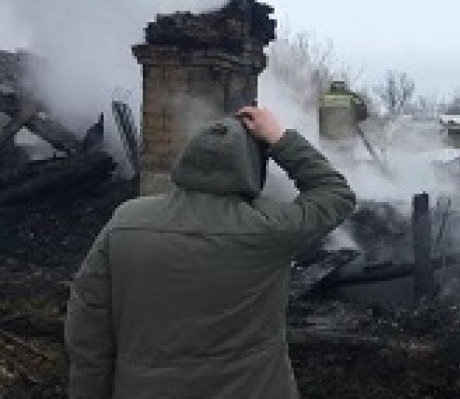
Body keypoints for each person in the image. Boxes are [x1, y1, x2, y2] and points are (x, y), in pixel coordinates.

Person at [65, 106, 356, 399]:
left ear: (187, 159)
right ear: (252, 167)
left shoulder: (126, 222)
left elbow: (88, 328)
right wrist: (280, 139)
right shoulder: (269, 228)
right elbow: (335, 194)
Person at [318, 79, 368, 156]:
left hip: (327, 138)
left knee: (328, 159)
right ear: (344, 87)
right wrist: (355, 119)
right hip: (347, 136)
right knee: (347, 160)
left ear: (332, 87)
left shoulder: (323, 98)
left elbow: (319, 115)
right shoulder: (352, 97)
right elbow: (364, 113)